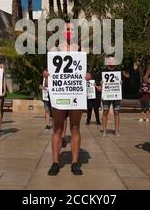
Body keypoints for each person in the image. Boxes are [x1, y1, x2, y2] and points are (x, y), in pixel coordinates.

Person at [45, 21, 90, 176]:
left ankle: (75, 163)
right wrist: (46, 74)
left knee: (75, 127)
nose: (69, 31)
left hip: (76, 93)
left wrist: (87, 76)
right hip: (59, 92)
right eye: (66, 29)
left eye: (72, 29)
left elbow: (85, 71)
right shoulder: (54, 49)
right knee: (57, 128)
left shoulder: (82, 50)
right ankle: (55, 162)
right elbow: (49, 71)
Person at [99, 55, 122, 138]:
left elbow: (123, 82)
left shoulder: (119, 71)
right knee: (105, 112)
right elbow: (99, 83)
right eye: (110, 60)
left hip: (116, 94)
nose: (111, 62)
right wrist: (100, 83)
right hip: (107, 94)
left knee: (116, 112)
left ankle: (117, 130)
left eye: (113, 60)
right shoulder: (103, 71)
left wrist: (121, 82)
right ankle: (104, 131)